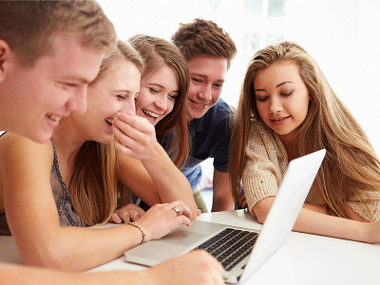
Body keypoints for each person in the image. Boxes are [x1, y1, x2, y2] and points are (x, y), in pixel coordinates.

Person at [0, 1, 223, 284]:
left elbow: (183, 207)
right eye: (120, 96)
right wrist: (143, 229)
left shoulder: (104, 146)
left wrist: (152, 150)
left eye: (133, 97)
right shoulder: (27, 140)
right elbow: (47, 253)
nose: (131, 111)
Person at [229, 41, 380, 243]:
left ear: (310, 90)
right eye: (262, 97)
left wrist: (282, 204)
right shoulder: (259, 135)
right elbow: (266, 211)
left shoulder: (341, 136)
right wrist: (363, 231)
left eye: (286, 93)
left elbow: (371, 211)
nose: (274, 107)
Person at [110, 34, 198, 220]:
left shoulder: (148, 136)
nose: (163, 106)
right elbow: (185, 211)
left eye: (172, 96)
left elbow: (186, 211)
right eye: (154, 90)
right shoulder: (113, 140)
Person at [168, 18, 237, 213]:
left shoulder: (225, 123)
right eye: (198, 80)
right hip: (135, 192)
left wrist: (217, 240)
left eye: (217, 85)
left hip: (188, 189)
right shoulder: (151, 107)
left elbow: (223, 200)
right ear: (175, 70)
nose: (206, 95)